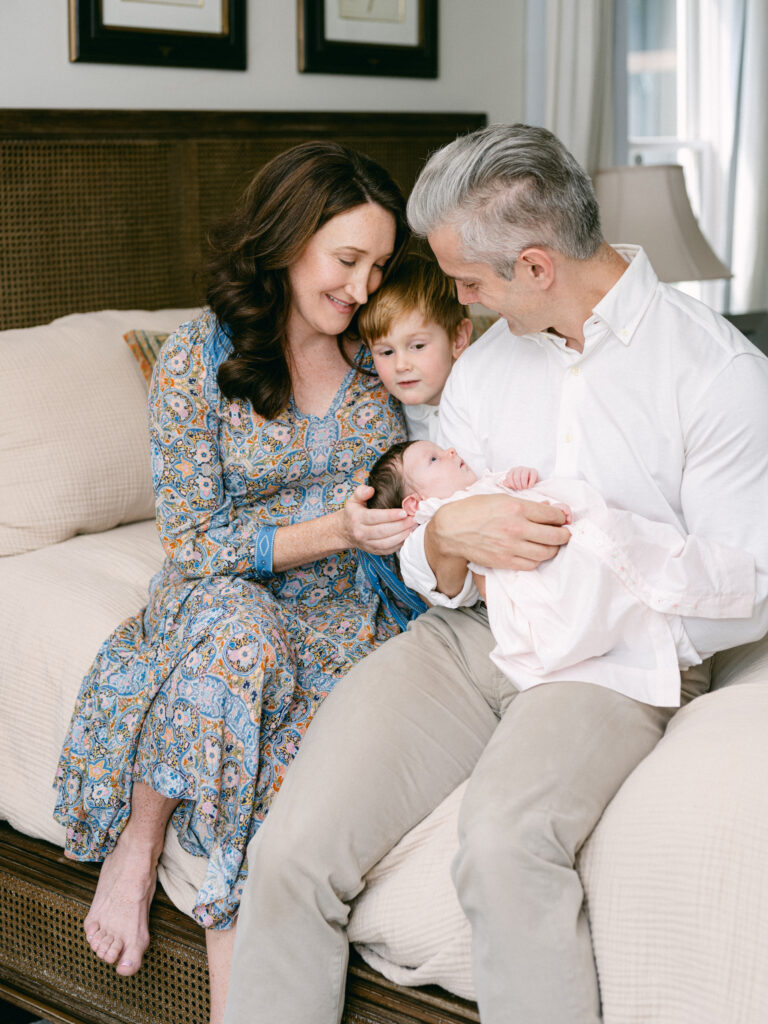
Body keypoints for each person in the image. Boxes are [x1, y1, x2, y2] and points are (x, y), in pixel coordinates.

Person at [222, 123, 768, 1024]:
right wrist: (450, 540)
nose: (457, 305)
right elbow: (430, 541)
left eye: (468, 283)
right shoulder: (482, 371)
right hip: (467, 638)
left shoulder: (719, 377)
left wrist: (594, 570)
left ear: (538, 267)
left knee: (504, 845)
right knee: (289, 850)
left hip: (609, 661)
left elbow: (742, 589)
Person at [52, 140, 414, 1022]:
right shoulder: (194, 360)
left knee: (271, 748)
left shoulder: (383, 360)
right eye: (348, 260)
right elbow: (192, 540)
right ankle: (138, 846)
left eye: (380, 265)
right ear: (290, 241)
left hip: (340, 610)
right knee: (241, 638)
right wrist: (331, 529)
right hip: (216, 596)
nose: (364, 288)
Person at [368, 439, 754, 705]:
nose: (450, 452)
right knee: (611, 602)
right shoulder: (432, 520)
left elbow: (517, 485)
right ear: (415, 502)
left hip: (582, 541)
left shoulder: (485, 482)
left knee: (648, 551)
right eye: (435, 459)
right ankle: (713, 603)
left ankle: (734, 587)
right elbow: (424, 569)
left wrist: (516, 479)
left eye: (444, 449)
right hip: (542, 580)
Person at [357, 251, 473, 441]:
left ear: (458, 339)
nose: (401, 365)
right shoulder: (388, 419)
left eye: (418, 346)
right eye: (386, 351)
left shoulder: (482, 402)